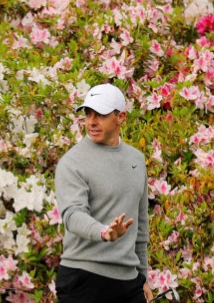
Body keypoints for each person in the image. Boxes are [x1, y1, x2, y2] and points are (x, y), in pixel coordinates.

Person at [55, 83, 153, 302]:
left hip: (129, 284)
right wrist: (103, 232)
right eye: (88, 113)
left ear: (121, 118)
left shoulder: (136, 160)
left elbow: (140, 225)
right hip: (83, 281)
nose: (92, 121)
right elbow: (72, 215)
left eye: (100, 114)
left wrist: (143, 276)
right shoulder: (72, 162)